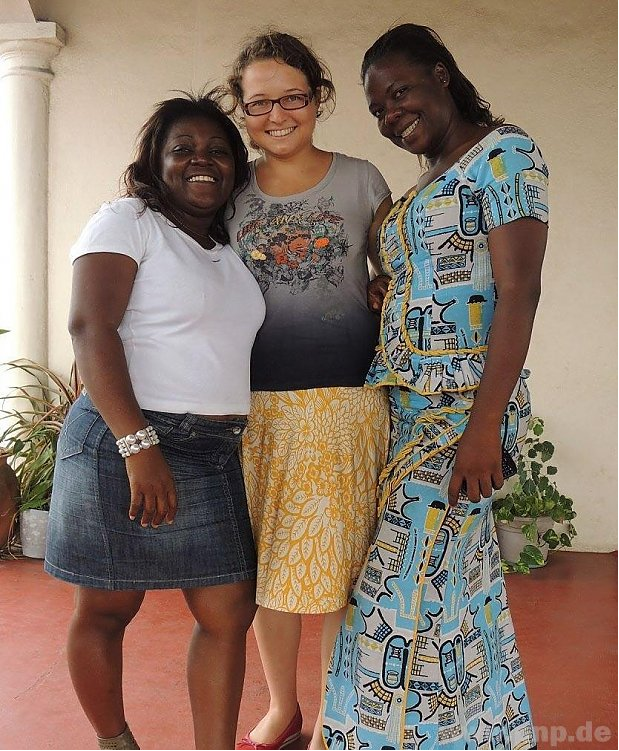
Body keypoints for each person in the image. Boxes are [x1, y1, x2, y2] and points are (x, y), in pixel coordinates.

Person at [321, 24, 548, 750]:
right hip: (401, 405)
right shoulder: (432, 178)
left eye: (400, 93)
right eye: (378, 109)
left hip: (459, 415)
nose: (391, 115)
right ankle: (485, 734)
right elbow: (432, 273)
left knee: (400, 589)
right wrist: (390, 288)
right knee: (452, 590)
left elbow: (518, 293)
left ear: (442, 76)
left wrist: (484, 431)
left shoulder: (503, 155)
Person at [43, 91, 266, 751]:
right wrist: (138, 446)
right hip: (125, 437)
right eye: (185, 149)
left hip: (213, 449)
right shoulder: (128, 220)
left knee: (228, 611)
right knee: (110, 609)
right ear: (155, 162)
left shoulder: (224, 249)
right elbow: (90, 326)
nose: (203, 161)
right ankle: (115, 741)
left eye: (218, 150)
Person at [224, 31, 393, 751]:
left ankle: (334, 713)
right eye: (258, 102)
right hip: (252, 407)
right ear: (241, 110)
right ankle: (281, 705)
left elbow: (395, 278)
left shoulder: (361, 180)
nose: (277, 115)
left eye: (291, 97)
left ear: (317, 98)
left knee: (334, 568)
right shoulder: (229, 194)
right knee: (269, 567)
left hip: (343, 404)